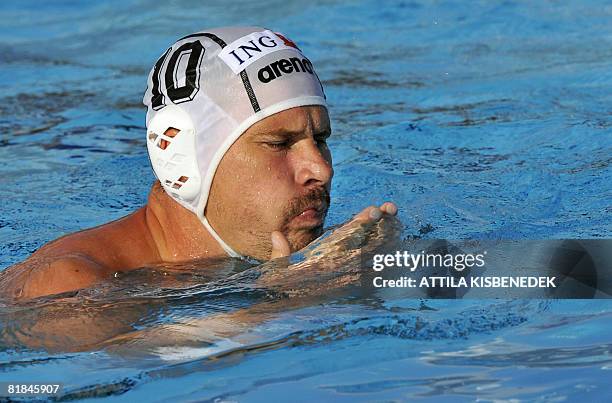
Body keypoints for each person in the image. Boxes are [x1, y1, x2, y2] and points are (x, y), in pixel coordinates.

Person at [0, 26, 397, 301]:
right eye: (279, 143)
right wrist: (289, 304)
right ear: (183, 154)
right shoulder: (67, 284)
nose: (321, 169)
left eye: (320, 139)